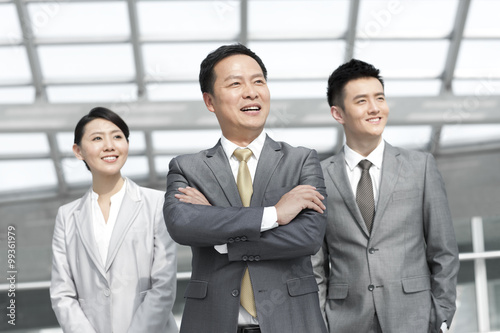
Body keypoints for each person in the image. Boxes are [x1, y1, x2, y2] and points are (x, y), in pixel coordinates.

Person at [163, 44, 328, 333]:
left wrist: (219, 233)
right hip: (211, 322)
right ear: (210, 101)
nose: (251, 91)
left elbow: (307, 236)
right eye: (236, 83)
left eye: (258, 81)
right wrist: (274, 215)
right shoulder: (187, 168)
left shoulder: (302, 160)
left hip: (291, 322)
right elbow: (182, 225)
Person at [312, 59, 460, 333]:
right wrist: (321, 321)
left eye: (379, 98)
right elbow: (315, 262)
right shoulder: (318, 177)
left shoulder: (420, 167)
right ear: (338, 113)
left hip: (415, 319)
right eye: (361, 101)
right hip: (345, 321)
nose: (375, 108)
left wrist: (440, 313)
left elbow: (444, 251)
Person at [50, 107, 178, 333]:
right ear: (78, 151)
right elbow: (62, 293)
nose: (110, 145)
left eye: (117, 136)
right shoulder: (67, 216)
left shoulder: (157, 203)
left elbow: (164, 285)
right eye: (97, 138)